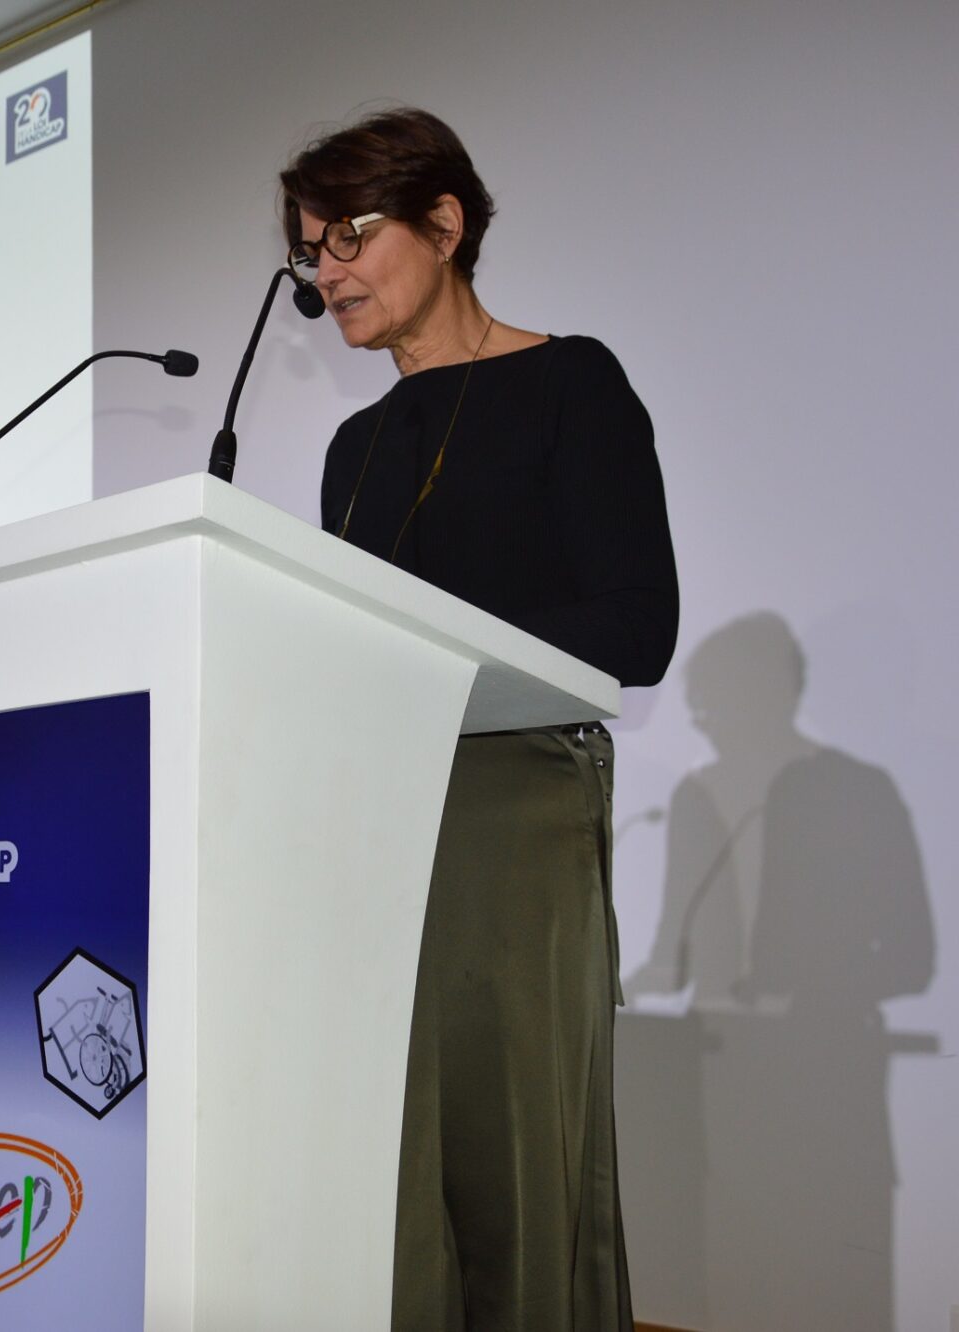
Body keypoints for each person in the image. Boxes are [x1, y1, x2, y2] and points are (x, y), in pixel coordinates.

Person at [279, 108, 678, 1331]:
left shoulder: (570, 382)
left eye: (348, 237)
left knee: (509, 1172)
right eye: (310, 250)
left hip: (511, 812)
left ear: (444, 224)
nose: (326, 271)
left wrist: (428, 634)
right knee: (383, 1173)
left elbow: (636, 625)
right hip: (372, 822)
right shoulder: (355, 446)